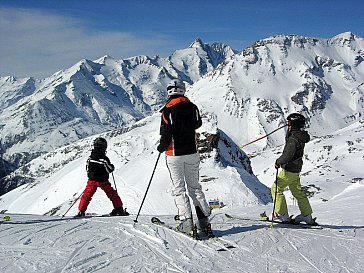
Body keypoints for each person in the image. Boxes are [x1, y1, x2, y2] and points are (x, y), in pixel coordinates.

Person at [157, 79, 212, 237]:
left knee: (179, 189)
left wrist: (161, 147)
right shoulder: (192, 107)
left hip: (174, 154)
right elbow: (198, 124)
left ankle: (187, 222)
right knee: (195, 188)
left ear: (169, 91)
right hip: (192, 152)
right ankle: (204, 222)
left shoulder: (167, 110)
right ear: (183, 90)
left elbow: (166, 134)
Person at [271, 113, 314, 224]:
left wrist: (278, 162)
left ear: (292, 124)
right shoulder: (300, 136)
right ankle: (307, 215)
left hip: (288, 169)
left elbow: (288, 155)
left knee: (276, 189)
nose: (288, 125)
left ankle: (282, 214)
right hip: (296, 169)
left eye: (289, 123)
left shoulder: (293, 138)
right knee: (297, 192)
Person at [76, 137, 129, 217]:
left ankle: (81, 211)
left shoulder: (91, 157)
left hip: (92, 180)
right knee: (112, 194)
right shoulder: (104, 159)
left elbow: (87, 168)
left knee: (87, 195)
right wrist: (112, 166)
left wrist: (90, 176)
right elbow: (109, 169)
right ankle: (119, 209)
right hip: (102, 181)